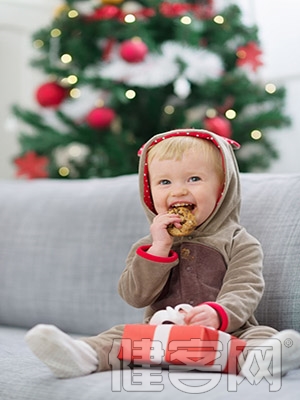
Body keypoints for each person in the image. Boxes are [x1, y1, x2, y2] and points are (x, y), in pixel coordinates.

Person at [25, 129, 300, 379]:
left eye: (194, 179)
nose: (178, 190)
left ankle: (261, 360)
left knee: (261, 335)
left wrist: (218, 314)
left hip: (226, 335)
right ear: (149, 192)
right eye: (164, 181)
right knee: (117, 336)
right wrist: (159, 249)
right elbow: (134, 295)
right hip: (162, 336)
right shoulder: (151, 244)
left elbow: (246, 289)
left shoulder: (240, 241)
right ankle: (81, 356)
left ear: (222, 189)